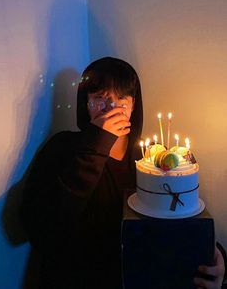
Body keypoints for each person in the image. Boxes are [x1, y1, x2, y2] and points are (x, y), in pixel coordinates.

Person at [20, 57, 226, 289]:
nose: (111, 108)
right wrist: (96, 145)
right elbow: (40, 228)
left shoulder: (151, 159)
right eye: (99, 98)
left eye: (121, 99)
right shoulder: (63, 147)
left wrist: (216, 256)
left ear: (133, 105)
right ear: (85, 103)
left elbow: (180, 218)